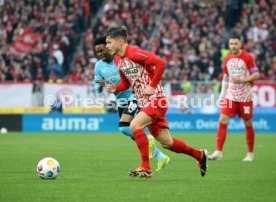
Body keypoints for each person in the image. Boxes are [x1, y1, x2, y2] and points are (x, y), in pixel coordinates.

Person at [106, 26, 208, 178]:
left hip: (156, 100)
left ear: (120, 41)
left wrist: (152, 86)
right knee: (167, 143)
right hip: (145, 104)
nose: (107, 46)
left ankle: (146, 167)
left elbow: (161, 63)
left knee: (135, 125)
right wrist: (116, 88)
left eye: (109, 42)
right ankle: (199, 155)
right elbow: (127, 83)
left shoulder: (134, 52)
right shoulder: (118, 60)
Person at [94, 37, 170, 171]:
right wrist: (100, 86)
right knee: (131, 131)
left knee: (125, 127)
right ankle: (160, 156)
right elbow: (98, 88)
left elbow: (132, 77)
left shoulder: (120, 59)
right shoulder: (98, 66)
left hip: (133, 96)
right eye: (97, 52)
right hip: (121, 100)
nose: (100, 53)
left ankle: (147, 158)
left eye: (102, 49)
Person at [208, 35, 259, 161]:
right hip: (231, 96)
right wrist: (222, 95)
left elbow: (256, 75)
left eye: (236, 43)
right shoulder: (227, 59)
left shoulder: (248, 57)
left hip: (245, 96)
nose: (233, 46)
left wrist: (243, 80)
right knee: (222, 120)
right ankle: (218, 152)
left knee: (247, 122)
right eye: (231, 44)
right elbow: (225, 78)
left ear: (240, 44)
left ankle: (250, 154)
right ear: (229, 45)